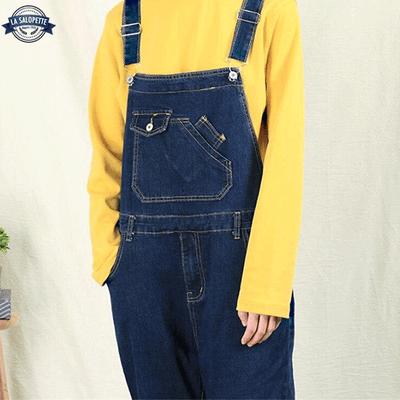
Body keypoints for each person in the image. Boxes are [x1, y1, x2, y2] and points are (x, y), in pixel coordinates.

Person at [87, 0, 304, 398]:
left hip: (241, 275)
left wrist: (267, 285)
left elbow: (285, 153)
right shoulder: (123, 21)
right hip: (144, 277)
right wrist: (112, 263)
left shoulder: (269, 10)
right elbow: (107, 154)